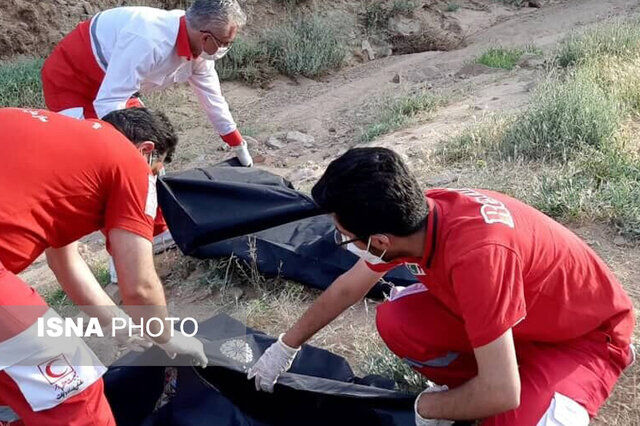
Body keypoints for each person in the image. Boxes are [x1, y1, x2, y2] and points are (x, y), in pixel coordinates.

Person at [247, 147, 635, 425]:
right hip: (520, 320)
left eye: (345, 235)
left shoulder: (478, 257)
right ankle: (494, 373)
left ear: (380, 239)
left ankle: (543, 380)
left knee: (512, 412)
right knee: (397, 320)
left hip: (584, 338)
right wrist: (286, 346)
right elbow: (351, 286)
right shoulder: (419, 214)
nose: (345, 242)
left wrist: (425, 408)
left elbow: (503, 393)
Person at [0, 107, 207, 425]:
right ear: (147, 151)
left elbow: (64, 260)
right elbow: (138, 285)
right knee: (75, 394)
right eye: (156, 172)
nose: (152, 181)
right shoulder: (130, 161)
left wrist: (116, 323)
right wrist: (166, 337)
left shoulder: (62, 141)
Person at [41, 0, 253, 167]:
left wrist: (236, 142)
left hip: (114, 81)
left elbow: (212, 98)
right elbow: (110, 102)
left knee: (153, 152)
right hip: (71, 80)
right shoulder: (149, 40)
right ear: (205, 37)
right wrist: (129, 151)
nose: (226, 48)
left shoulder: (198, 49)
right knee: (96, 154)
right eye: (225, 42)